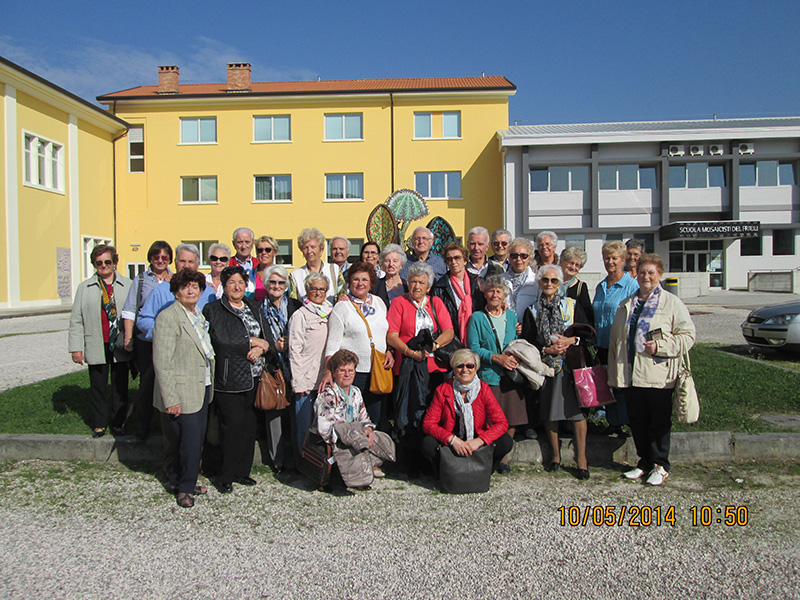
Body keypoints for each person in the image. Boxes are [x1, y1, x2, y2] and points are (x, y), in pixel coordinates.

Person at [608, 254, 696, 486]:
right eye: (642, 272)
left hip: (658, 373)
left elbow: (688, 336)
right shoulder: (627, 303)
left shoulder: (672, 303)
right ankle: (644, 462)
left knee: (658, 421)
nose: (646, 277)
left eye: (652, 273)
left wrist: (661, 346)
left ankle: (660, 464)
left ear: (660, 275)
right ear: (636, 274)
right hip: (631, 373)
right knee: (637, 420)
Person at [522, 264, 594, 480]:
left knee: (577, 412)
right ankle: (555, 456)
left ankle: (581, 458)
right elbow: (527, 341)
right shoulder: (532, 310)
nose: (549, 284)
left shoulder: (571, 306)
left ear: (560, 283)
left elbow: (589, 334)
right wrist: (546, 349)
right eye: (545, 280)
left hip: (571, 365)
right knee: (550, 410)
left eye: (554, 281)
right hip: (546, 366)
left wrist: (572, 339)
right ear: (539, 282)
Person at [203, 266, 271, 493]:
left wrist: (262, 349)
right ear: (224, 285)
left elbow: (267, 337)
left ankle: (242, 471)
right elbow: (222, 340)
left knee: (248, 425)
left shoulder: (254, 306)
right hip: (229, 378)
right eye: (231, 282)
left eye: (240, 282)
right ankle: (225, 474)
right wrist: (252, 342)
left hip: (254, 376)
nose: (237, 286)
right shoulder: (214, 309)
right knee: (230, 427)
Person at [152, 269, 215, 508]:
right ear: (176, 291)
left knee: (193, 441)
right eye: (185, 287)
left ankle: (179, 479)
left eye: (195, 287)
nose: (191, 291)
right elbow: (162, 361)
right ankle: (186, 489)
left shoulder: (196, 315)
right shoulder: (168, 317)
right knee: (188, 442)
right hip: (181, 391)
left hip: (202, 387)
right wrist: (171, 398)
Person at [387, 262, 454, 475]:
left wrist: (433, 345)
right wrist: (411, 353)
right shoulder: (398, 303)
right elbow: (392, 336)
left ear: (428, 286)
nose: (417, 286)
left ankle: (430, 460)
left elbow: (449, 331)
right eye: (413, 281)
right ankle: (410, 463)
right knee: (407, 413)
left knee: (430, 415)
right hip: (407, 367)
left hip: (434, 369)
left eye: (421, 282)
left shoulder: (436, 303)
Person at [69, 244, 133, 438]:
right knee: (98, 385)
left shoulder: (128, 285)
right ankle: (99, 423)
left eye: (107, 261)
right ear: (94, 264)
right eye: (99, 263)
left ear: (115, 262)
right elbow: (76, 319)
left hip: (120, 342)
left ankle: (118, 423)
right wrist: (76, 348)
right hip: (97, 342)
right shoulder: (85, 287)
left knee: (120, 386)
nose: (104, 265)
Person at [321, 262, 392, 434]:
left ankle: (375, 455)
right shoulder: (342, 307)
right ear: (349, 282)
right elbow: (332, 343)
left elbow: (386, 331)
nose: (360, 283)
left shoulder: (380, 303)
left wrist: (389, 350)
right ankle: (353, 458)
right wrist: (328, 371)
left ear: (371, 283)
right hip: (353, 373)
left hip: (378, 370)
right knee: (353, 419)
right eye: (355, 279)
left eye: (364, 280)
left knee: (375, 417)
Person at [421, 348, 512, 478]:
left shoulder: (484, 389)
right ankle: (443, 474)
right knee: (427, 444)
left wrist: (480, 441)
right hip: (452, 439)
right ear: (453, 368)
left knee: (506, 441)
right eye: (460, 366)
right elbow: (428, 424)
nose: (465, 370)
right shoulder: (443, 389)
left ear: (476, 368)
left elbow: (501, 423)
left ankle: (485, 472)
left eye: (470, 366)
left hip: (476, 438)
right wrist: (452, 439)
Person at [314, 349, 395, 490]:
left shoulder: (356, 392)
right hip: (336, 440)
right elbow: (325, 429)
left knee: (382, 441)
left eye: (350, 370)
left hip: (357, 436)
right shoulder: (327, 395)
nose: (347, 374)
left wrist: (368, 430)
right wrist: (351, 439)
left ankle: (360, 472)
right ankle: (345, 476)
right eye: (342, 370)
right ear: (333, 372)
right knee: (353, 448)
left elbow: (365, 418)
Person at [466, 275, 524, 472]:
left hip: (510, 375)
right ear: (485, 293)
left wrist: (514, 357)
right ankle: (489, 455)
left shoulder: (512, 317)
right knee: (490, 419)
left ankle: (504, 458)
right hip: (489, 375)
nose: (495, 294)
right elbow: (473, 348)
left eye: (499, 291)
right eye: (491, 290)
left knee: (511, 417)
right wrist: (496, 358)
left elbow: (516, 342)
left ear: (504, 294)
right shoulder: (477, 318)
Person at [120, 240, 172, 440]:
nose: (160, 260)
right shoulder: (141, 280)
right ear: (150, 258)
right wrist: (128, 336)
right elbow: (130, 309)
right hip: (146, 339)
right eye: (156, 256)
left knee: (166, 382)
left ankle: (164, 424)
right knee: (146, 381)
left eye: (165, 257)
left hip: (168, 339)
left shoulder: (174, 279)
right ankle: (143, 425)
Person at [593, 240, 639, 437]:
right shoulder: (602, 286)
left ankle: (626, 422)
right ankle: (613, 421)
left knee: (621, 384)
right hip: (602, 343)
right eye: (606, 258)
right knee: (607, 383)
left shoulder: (631, 285)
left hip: (621, 344)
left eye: (614, 258)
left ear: (623, 260)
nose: (610, 262)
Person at [287, 273, 331, 455]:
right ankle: (302, 460)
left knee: (323, 427)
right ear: (307, 290)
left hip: (325, 379)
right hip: (305, 380)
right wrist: (298, 382)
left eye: (322, 289)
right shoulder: (300, 315)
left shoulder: (332, 311)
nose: (318, 292)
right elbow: (294, 350)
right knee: (304, 426)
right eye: (314, 288)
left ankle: (320, 463)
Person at [136, 243, 217, 341]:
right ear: (175, 263)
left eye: (190, 261)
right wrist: (163, 333)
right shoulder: (161, 290)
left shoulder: (207, 290)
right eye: (182, 261)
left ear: (197, 265)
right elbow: (143, 320)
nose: (186, 266)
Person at [431, 242, 485, 344]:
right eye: (449, 259)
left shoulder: (477, 282)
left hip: (477, 336)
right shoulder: (440, 287)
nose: (453, 262)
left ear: (465, 260)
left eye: (457, 258)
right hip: (453, 339)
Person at [289, 228, 345, 303]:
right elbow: (293, 303)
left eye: (313, 247)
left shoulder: (334, 269)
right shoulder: (295, 275)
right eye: (305, 248)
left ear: (321, 249)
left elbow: (343, 296)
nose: (309, 251)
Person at [502, 237, 538, 315]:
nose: (518, 259)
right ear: (509, 257)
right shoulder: (500, 280)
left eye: (523, 256)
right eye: (514, 256)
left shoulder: (537, 282)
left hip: (528, 326)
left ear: (530, 258)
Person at [559, 246, 594, 324]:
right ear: (561, 261)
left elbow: (588, 315)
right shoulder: (550, 282)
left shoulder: (581, 287)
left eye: (577, 265)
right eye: (571, 263)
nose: (573, 267)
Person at [373, 243, 407, 309]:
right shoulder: (375, 286)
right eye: (387, 261)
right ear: (382, 264)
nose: (391, 264)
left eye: (395, 261)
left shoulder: (407, 286)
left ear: (401, 264)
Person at [253, 235, 280, 301]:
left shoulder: (281, 275)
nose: (264, 253)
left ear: (275, 252)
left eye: (268, 250)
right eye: (260, 250)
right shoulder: (250, 276)